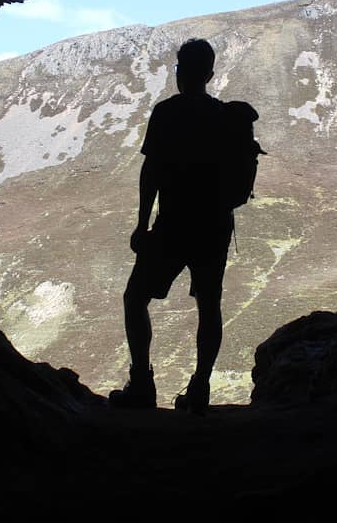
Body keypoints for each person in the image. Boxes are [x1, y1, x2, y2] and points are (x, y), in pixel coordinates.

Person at [109, 38, 235, 415]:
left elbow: (152, 172)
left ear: (179, 71)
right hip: (214, 225)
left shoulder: (167, 113)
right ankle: (199, 390)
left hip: (174, 223)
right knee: (209, 306)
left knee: (135, 298)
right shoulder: (224, 116)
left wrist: (141, 223)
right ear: (210, 74)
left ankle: (142, 385)